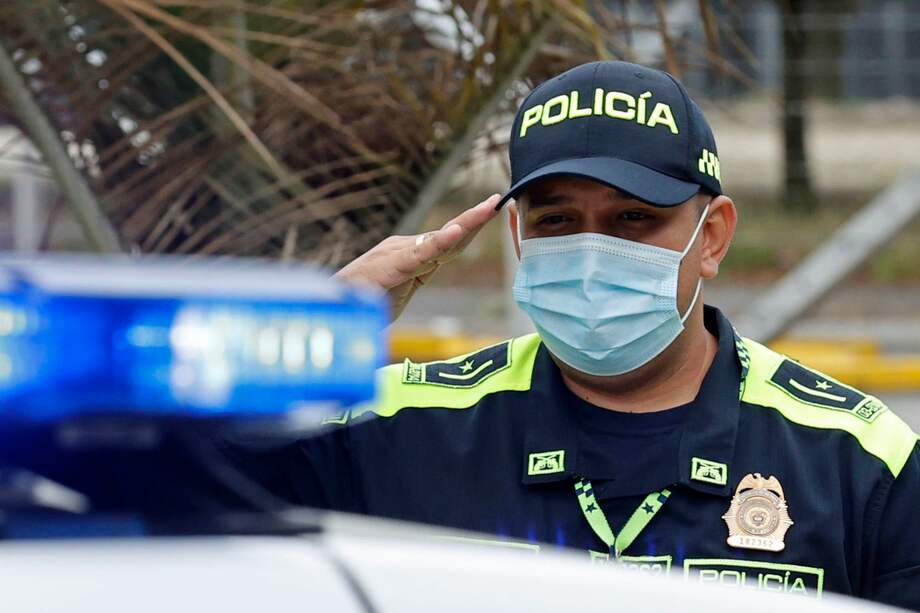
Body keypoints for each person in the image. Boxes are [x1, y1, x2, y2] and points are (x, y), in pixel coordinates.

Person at [233, 61, 920, 608]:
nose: (593, 254)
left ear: (712, 237)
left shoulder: (857, 460)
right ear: (517, 235)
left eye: (632, 220)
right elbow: (173, 514)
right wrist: (312, 332)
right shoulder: (397, 428)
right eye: (558, 221)